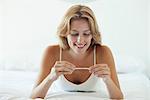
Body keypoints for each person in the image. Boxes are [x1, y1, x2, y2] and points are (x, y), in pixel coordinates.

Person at [30, 5, 123, 99]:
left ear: (92, 35)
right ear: (65, 33)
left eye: (86, 34)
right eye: (74, 34)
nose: (80, 40)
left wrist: (107, 79)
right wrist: (51, 77)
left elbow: (119, 97)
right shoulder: (51, 52)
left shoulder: (103, 52)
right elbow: (34, 96)